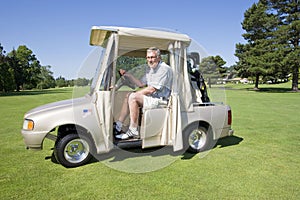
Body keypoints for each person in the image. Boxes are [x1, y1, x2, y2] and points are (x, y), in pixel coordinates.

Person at [115, 47, 173, 140]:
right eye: (148, 57)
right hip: (152, 98)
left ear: (159, 57)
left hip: (162, 100)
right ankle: (119, 125)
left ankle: (133, 129)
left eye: (152, 57)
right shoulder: (150, 69)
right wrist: (128, 75)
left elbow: (151, 89)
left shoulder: (164, 69)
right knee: (128, 95)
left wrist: (134, 95)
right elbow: (141, 84)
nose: (150, 60)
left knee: (133, 97)